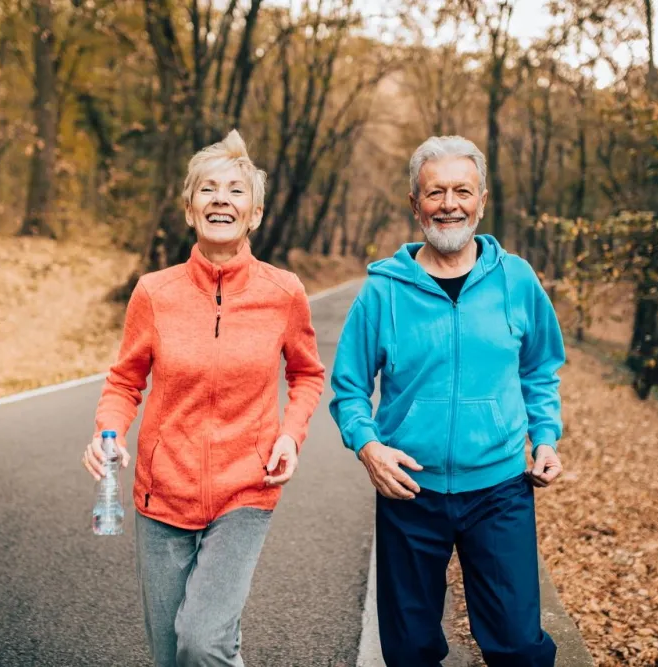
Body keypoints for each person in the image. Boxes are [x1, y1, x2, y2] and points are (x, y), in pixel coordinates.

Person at [82, 130, 325, 667]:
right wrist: (110, 433)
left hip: (247, 488)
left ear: (255, 214)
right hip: (161, 492)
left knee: (203, 640)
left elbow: (307, 375)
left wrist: (290, 434)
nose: (221, 199)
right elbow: (124, 382)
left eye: (236, 191)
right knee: (172, 656)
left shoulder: (283, 293)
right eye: (208, 190)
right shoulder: (154, 292)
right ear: (190, 209)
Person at [329, 135, 565, 667]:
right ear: (416, 204)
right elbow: (348, 389)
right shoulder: (382, 291)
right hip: (410, 490)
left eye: (463, 191)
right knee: (410, 650)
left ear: (482, 201)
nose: (449, 204)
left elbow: (540, 369)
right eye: (435, 193)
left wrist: (545, 437)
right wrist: (369, 447)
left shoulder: (517, 280)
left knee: (521, 648)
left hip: (499, 491)